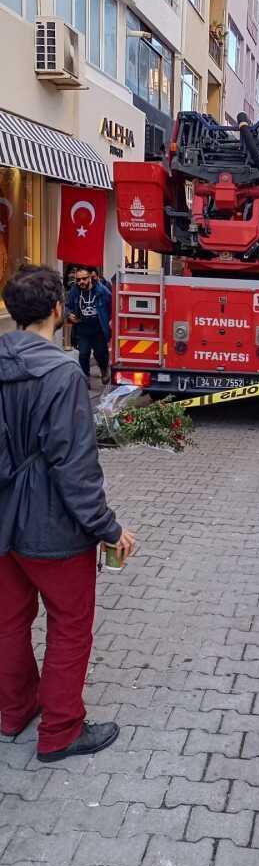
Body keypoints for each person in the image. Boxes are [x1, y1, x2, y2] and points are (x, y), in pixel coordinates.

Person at [0, 265, 135, 762]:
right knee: (70, 625)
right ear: (59, 309)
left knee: (8, 622)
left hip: (3, 521)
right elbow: (74, 466)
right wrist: (107, 527)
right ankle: (60, 731)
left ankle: (14, 712)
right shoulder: (62, 373)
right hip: (52, 525)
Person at [66, 264, 112, 386]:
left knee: (100, 353)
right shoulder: (74, 291)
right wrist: (69, 315)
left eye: (84, 279)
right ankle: (85, 378)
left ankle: (104, 370)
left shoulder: (102, 291)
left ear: (90, 278)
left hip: (98, 329)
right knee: (83, 354)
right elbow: (67, 306)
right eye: (78, 279)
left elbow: (112, 305)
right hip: (82, 329)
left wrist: (111, 321)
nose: (81, 282)